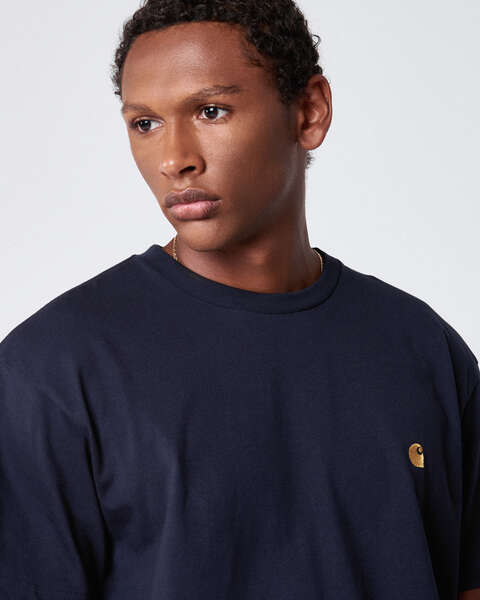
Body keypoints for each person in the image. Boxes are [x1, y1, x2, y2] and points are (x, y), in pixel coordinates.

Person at [1, 1, 478, 598]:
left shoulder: (424, 349)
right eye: (145, 123)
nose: (175, 159)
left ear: (309, 111)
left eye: (211, 111)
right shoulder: (50, 372)